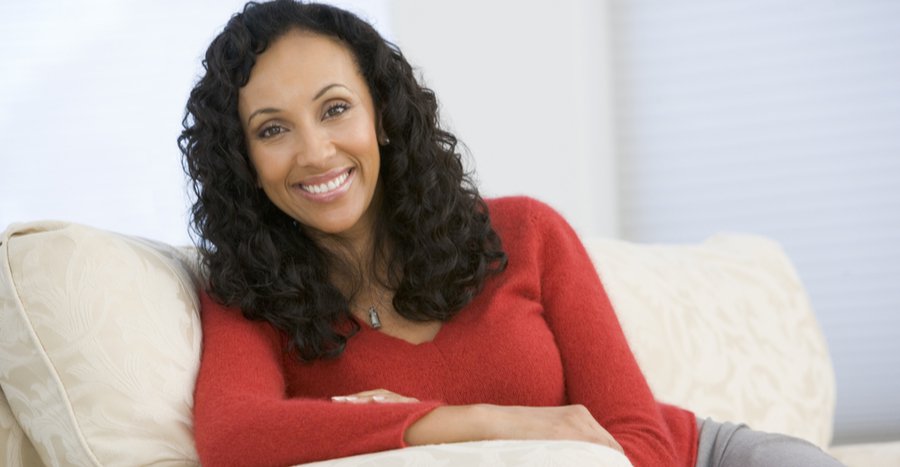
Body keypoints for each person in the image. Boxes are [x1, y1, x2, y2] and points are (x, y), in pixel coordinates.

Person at [179, 1, 846, 466]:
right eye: (273, 129)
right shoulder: (247, 291)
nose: (317, 151)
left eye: (335, 109)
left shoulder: (524, 230)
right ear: (243, 159)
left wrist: (396, 417)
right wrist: (478, 418)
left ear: (380, 115)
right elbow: (235, 436)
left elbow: (640, 435)